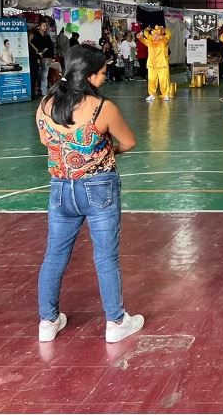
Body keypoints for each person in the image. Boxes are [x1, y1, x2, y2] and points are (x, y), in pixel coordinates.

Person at [35, 45, 144, 344]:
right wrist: (104, 151)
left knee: (54, 254)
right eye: (103, 73)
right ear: (91, 75)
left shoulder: (45, 105)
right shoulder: (101, 107)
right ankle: (116, 321)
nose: (105, 77)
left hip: (60, 188)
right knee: (106, 257)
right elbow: (129, 141)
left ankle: (48, 320)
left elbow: (48, 141)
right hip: (98, 188)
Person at [137, 26, 171, 102]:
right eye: (154, 34)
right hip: (152, 65)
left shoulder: (163, 43)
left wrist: (163, 30)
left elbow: (168, 36)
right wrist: (140, 36)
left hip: (162, 65)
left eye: (157, 34)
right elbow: (142, 39)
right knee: (151, 79)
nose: (155, 36)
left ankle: (165, 94)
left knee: (163, 80)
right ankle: (152, 94)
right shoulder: (150, 42)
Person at [31, 20, 55, 97]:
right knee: (36, 75)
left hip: (46, 58)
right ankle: (36, 91)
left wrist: (51, 57)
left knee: (45, 75)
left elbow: (51, 47)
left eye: (46, 26)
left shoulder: (47, 36)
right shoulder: (36, 36)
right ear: (39, 26)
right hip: (37, 58)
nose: (45, 27)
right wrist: (38, 55)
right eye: (43, 26)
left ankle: (44, 91)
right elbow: (34, 47)